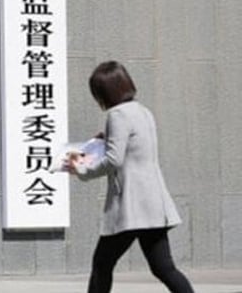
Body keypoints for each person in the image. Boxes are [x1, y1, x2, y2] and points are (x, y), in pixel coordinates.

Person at [68, 61, 194, 293]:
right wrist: (106, 140)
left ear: (104, 92)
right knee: (163, 268)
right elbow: (135, 151)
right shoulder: (143, 111)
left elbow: (114, 160)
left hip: (132, 208)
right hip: (154, 205)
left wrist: (82, 170)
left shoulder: (117, 115)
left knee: (102, 264)